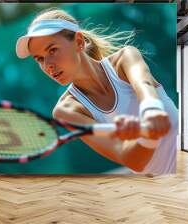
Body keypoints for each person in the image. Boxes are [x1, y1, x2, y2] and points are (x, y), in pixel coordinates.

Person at [15, 8, 178, 175]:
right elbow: (131, 159)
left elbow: (144, 85)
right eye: (39, 59)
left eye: (52, 50)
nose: (47, 65)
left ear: (79, 41)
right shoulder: (66, 111)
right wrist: (147, 137)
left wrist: (152, 110)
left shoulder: (125, 58)